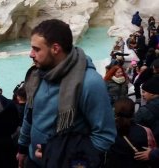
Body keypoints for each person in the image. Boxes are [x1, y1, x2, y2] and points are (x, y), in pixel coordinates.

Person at [16, 19, 116, 168]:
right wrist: (23, 148)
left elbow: (104, 136)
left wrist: (59, 156)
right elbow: (30, 115)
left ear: (55, 48)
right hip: (34, 160)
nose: (31, 54)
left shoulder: (89, 83)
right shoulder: (37, 75)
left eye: (36, 49)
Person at [105, 98, 155, 168]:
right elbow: (151, 148)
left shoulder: (108, 130)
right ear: (133, 112)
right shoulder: (145, 131)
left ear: (114, 111)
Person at [135, 77, 159, 144]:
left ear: (152, 93)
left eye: (144, 92)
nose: (142, 94)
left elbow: (135, 125)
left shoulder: (144, 110)